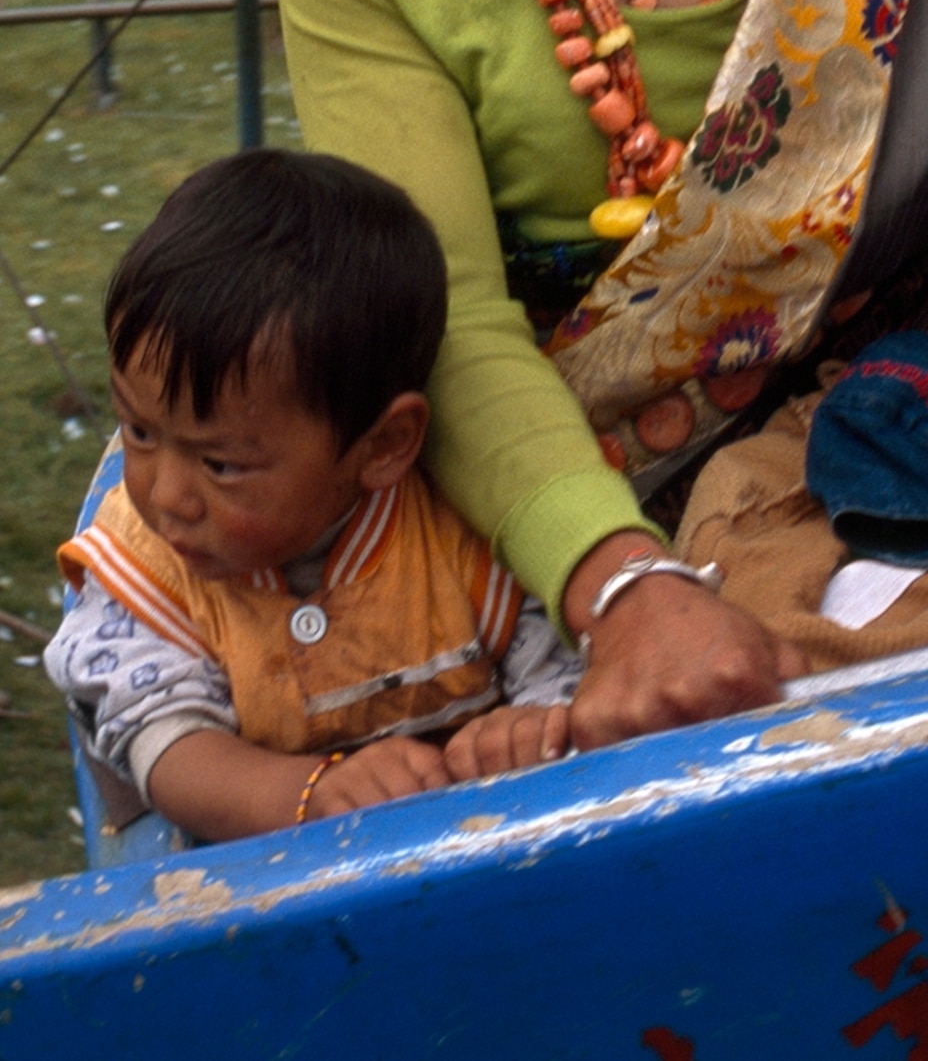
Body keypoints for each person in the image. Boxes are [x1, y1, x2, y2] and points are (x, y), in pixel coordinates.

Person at [47, 151, 583, 842]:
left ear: (385, 446)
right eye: (139, 431)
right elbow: (165, 747)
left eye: (221, 463)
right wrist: (311, 793)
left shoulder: (464, 535)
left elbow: (563, 667)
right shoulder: (141, 574)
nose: (166, 494)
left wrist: (525, 729)